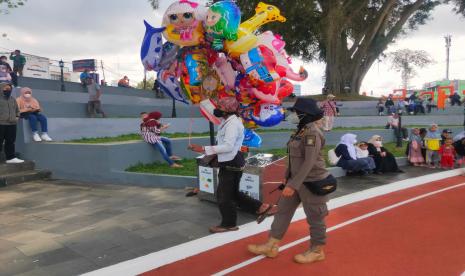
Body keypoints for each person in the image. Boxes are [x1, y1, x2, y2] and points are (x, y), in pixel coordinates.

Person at [247, 98, 331, 264]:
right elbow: (294, 158)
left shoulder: (312, 133)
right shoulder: (301, 130)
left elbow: (309, 162)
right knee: (283, 212)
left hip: (311, 183)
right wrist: (288, 179)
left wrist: (293, 185)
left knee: (315, 218)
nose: (292, 114)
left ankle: (317, 250)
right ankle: (272, 245)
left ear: (304, 114)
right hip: (295, 181)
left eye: (295, 112)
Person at [188, 97, 276, 233]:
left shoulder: (233, 124)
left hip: (231, 161)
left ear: (228, 110)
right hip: (231, 160)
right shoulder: (227, 121)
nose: (217, 109)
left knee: (223, 195)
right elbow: (215, 116)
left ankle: (229, 223)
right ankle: (262, 207)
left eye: (220, 107)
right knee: (232, 193)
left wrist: (203, 148)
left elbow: (228, 146)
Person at [0, 83, 24, 164]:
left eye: (9, 89)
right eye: (6, 89)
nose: (8, 90)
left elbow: (17, 110)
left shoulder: (12, 99)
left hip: (12, 124)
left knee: (10, 141)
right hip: (1, 124)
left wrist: (17, 117)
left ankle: (10, 158)